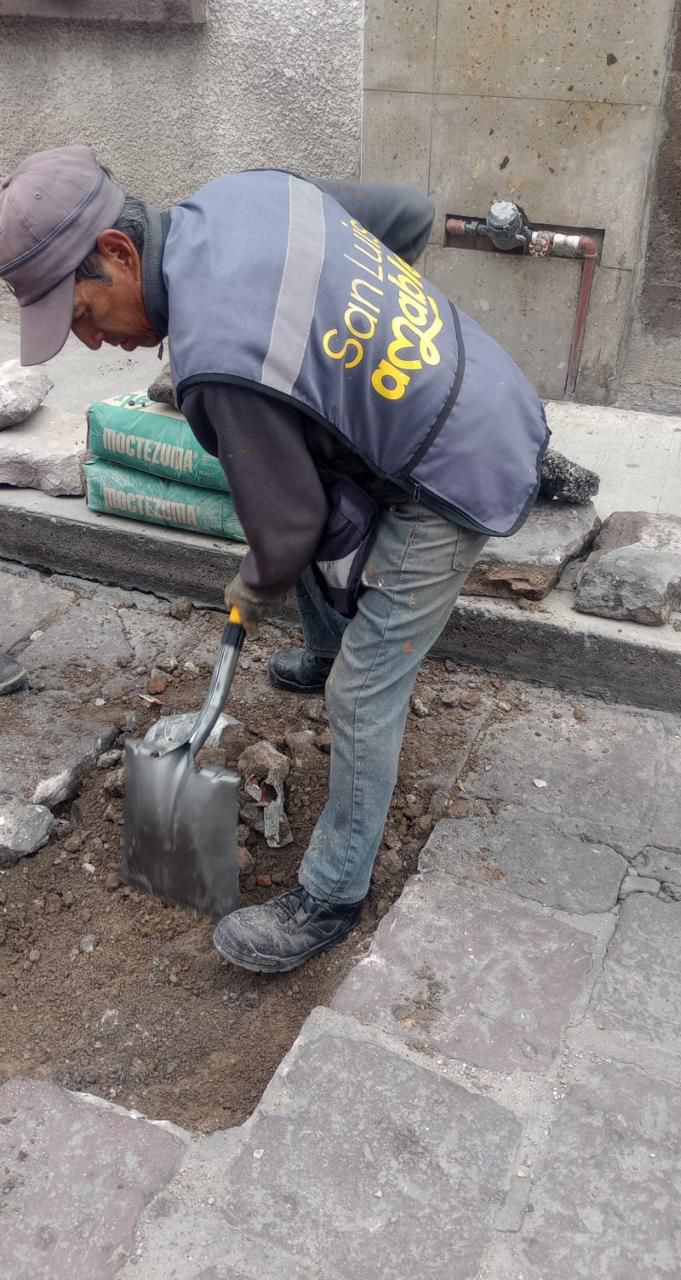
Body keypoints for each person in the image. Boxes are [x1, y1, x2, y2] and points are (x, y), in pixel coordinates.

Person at [0, 145, 549, 973]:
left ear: (118, 252)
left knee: (363, 687)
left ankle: (331, 894)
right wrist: (359, 355)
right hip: (485, 378)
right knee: (307, 484)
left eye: (80, 312)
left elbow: (287, 533)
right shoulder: (244, 196)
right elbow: (407, 212)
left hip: (454, 467)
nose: (88, 339)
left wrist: (250, 588)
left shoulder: (219, 359)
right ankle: (325, 649)